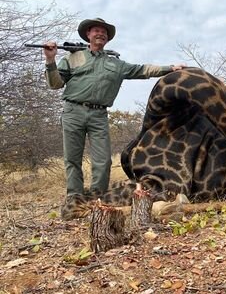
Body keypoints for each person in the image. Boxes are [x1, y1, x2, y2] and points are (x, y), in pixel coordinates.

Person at [43, 17, 184, 208]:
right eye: (96, 31)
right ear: (88, 34)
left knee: (103, 161)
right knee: (72, 159)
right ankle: (75, 199)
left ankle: (96, 199)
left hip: (99, 115)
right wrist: (50, 60)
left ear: (107, 39)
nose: (100, 34)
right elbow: (55, 84)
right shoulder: (71, 57)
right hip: (72, 111)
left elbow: (142, 70)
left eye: (104, 32)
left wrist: (170, 68)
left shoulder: (117, 64)